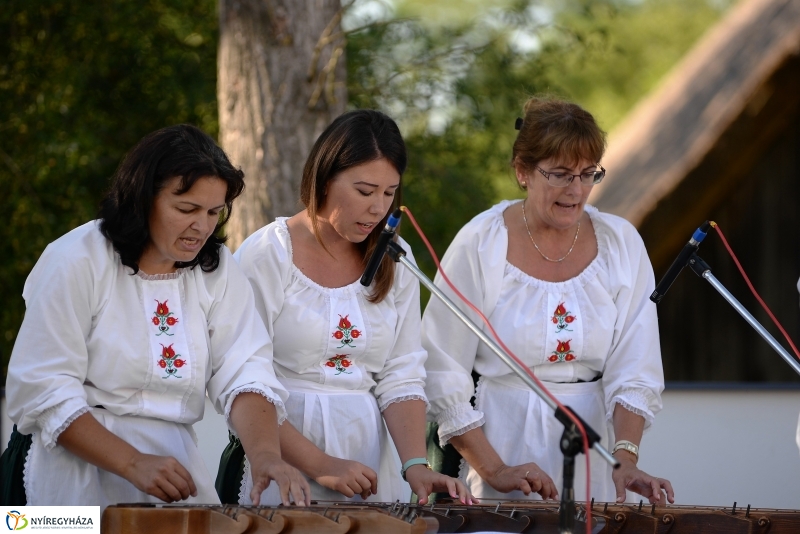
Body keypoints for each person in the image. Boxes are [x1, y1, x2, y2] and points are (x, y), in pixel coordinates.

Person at [1, 125, 309, 508]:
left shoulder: (217, 271)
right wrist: (131, 462)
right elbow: (43, 388)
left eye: (215, 212)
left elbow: (245, 369)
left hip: (171, 472)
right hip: (65, 467)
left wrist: (265, 455)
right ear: (142, 199)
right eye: (186, 209)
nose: (202, 226)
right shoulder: (76, 260)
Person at [422, 97, 675, 504]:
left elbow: (636, 365)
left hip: (592, 446)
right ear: (523, 172)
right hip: (499, 441)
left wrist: (625, 457)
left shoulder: (620, 242)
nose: (576, 190)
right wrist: (495, 469)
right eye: (560, 174)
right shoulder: (482, 240)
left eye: (588, 174)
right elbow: (441, 366)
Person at [218, 110, 472, 506]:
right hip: (281, 458)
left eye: (389, 194)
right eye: (365, 191)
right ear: (324, 179)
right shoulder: (268, 254)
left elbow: (401, 373)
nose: (377, 208)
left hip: (366, 461)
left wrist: (415, 465)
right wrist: (321, 464)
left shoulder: (395, 257)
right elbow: (242, 379)